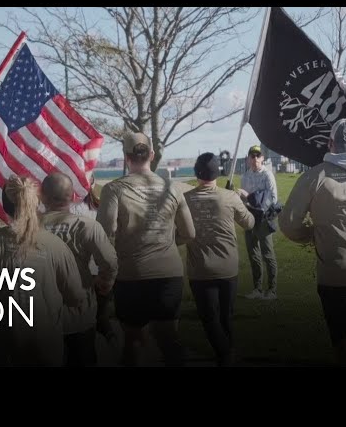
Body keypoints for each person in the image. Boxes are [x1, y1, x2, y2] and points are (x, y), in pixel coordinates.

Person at [279, 118, 346, 366]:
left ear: (330, 143)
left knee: (345, 349)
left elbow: (288, 224)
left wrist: (311, 234)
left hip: (339, 276)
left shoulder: (314, 176)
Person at [96, 132, 196, 367]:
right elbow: (190, 233)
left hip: (131, 274)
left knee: (133, 342)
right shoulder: (172, 189)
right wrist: (168, 242)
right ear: (151, 154)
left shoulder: (114, 189)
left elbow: (105, 231)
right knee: (169, 340)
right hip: (168, 272)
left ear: (125, 157)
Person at [0, 175, 85, 367]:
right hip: (44, 340)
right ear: (35, 204)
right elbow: (76, 296)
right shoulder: (56, 245)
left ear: (5, 206)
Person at [184, 153, 255, 366]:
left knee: (210, 319)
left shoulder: (186, 199)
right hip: (228, 268)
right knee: (225, 317)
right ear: (218, 172)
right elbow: (249, 223)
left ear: (196, 172)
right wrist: (241, 200)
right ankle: (227, 354)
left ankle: (225, 355)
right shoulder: (230, 197)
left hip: (200, 269)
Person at [40, 172, 118, 366]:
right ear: (73, 195)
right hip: (79, 312)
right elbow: (109, 262)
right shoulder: (87, 226)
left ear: (42, 196)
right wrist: (105, 283)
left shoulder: (30, 227)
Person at [236, 145, 279, 300]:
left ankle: (272, 290)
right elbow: (243, 199)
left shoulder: (267, 175)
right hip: (248, 217)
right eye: (252, 156)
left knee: (267, 254)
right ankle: (257, 289)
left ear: (262, 158)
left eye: (257, 156)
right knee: (253, 254)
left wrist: (249, 196)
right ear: (248, 159)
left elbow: (273, 198)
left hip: (263, 218)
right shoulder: (245, 176)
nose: (254, 159)